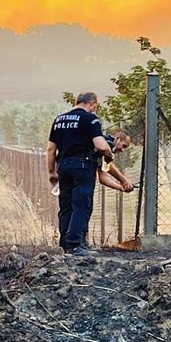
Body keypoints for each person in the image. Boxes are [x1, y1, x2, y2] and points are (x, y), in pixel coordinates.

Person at [46, 92, 113, 255]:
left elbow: (50, 149)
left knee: (66, 205)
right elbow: (101, 145)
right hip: (83, 165)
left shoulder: (59, 120)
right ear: (92, 104)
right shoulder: (90, 119)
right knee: (81, 204)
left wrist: (52, 172)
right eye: (94, 107)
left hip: (64, 166)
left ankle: (65, 245)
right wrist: (109, 155)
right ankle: (76, 244)